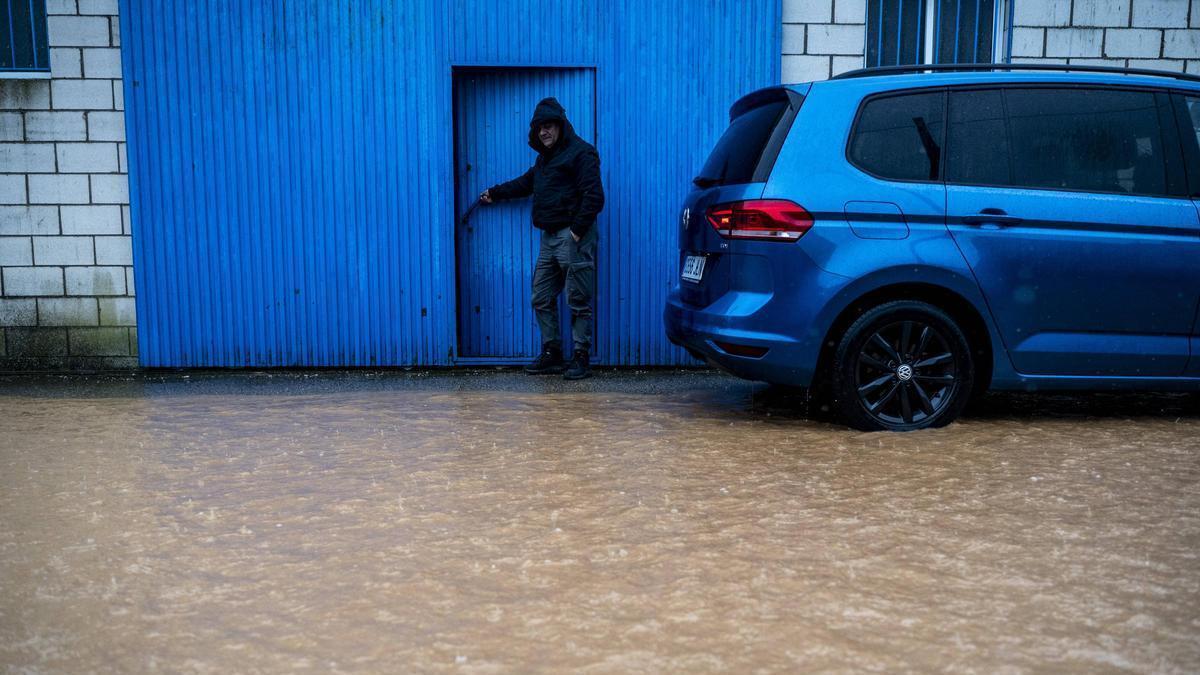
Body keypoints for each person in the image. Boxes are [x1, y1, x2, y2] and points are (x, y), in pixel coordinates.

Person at [480, 97, 605, 380]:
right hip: (549, 238)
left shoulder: (581, 153)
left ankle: (581, 356)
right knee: (541, 296)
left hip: (573, 236)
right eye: (539, 128)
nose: (543, 132)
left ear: (561, 125)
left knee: (578, 298)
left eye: (548, 126)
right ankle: (552, 353)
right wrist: (494, 193)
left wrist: (576, 232)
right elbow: (525, 183)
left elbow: (595, 196)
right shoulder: (544, 160)